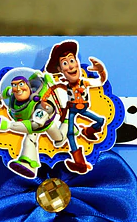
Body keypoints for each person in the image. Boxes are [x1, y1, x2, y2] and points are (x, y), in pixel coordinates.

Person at [44, 40, 107, 174]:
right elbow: (51, 91)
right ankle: (79, 163)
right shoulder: (64, 85)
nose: (70, 66)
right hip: (72, 110)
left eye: (72, 60)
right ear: (60, 70)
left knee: (101, 121)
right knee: (70, 134)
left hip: (83, 109)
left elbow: (100, 82)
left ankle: (88, 131)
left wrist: (101, 71)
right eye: (65, 63)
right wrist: (44, 100)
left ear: (77, 62)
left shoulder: (84, 82)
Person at [0, 68, 65, 178]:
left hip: (45, 124)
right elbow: (5, 92)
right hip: (29, 124)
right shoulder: (14, 94)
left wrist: (8, 125)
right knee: (29, 141)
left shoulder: (41, 103)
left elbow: (34, 125)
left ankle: (68, 127)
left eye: (21, 84)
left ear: (28, 86)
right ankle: (28, 164)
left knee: (58, 139)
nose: (18, 89)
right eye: (14, 85)